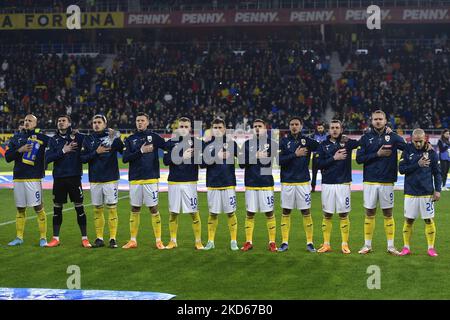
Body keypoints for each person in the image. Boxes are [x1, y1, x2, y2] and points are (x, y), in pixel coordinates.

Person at [356, 110, 406, 255]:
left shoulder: (393, 137)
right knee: (369, 212)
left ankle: (391, 246)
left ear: (385, 121)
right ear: (371, 121)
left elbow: (408, 148)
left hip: (387, 181)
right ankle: (367, 245)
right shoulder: (365, 138)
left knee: (388, 213)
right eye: (375, 119)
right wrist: (377, 154)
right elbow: (359, 159)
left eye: (380, 119)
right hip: (370, 181)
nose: (378, 121)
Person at [121, 113, 167, 250]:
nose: (139, 123)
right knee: (135, 208)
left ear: (148, 122)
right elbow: (125, 158)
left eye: (142, 120)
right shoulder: (130, 139)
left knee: (153, 208)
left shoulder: (154, 137)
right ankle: (133, 240)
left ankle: (158, 240)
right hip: (135, 178)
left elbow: (167, 147)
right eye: (137, 120)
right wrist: (141, 151)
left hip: (151, 178)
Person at [45, 115, 91, 248]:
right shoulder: (53, 140)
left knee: (79, 208)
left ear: (69, 123)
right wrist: (63, 151)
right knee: (57, 208)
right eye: (58, 121)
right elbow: (48, 158)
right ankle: (55, 238)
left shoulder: (79, 137)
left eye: (63, 121)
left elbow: (90, 143)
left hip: (74, 178)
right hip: (59, 178)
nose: (60, 123)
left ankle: (85, 238)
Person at [5, 114, 49, 247]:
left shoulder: (42, 138)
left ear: (36, 123)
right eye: (25, 120)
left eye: (30, 120)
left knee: (38, 207)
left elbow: (55, 146)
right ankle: (19, 237)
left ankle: (43, 238)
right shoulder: (17, 138)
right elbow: (7, 157)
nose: (27, 122)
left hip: (34, 178)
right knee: (20, 208)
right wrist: (20, 149)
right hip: (18, 178)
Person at [81, 115, 124, 248]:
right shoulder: (88, 139)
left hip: (110, 178)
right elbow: (83, 159)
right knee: (97, 209)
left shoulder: (112, 137)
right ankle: (99, 238)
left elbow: (123, 151)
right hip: (95, 179)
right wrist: (96, 152)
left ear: (105, 124)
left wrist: (117, 136)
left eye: (99, 122)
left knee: (111, 208)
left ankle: (112, 238)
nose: (96, 124)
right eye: (94, 122)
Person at [316, 120, 359, 254]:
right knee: (327, 214)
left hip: (343, 183)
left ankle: (344, 244)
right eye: (332, 128)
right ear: (328, 130)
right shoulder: (323, 145)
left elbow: (364, 141)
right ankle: (326, 243)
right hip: (328, 183)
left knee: (343, 213)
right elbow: (318, 164)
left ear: (341, 129)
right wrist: (334, 158)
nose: (334, 130)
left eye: (337, 128)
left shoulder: (347, 143)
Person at [278, 117, 319, 252]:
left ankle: (310, 242)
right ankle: (284, 242)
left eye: (296, 124)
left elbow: (323, 146)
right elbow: (279, 160)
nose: (294, 126)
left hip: (303, 182)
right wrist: (295, 155)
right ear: (289, 126)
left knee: (306, 211)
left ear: (301, 126)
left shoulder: (307, 141)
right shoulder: (283, 141)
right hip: (287, 182)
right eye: (292, 124)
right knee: (286, 211)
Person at [399, 129, 441, 257]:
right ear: (412, 139)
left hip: (426, 192)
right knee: (409, 220)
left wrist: (438, 190)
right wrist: (417, 164)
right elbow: (401, 170)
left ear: (425, 139)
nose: (418, 144)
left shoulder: (432, 152)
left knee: (428, 220)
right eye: (415, 141)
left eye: (420, 141)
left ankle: (431, 248)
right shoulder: (407, 150)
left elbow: (437, 173)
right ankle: (406, 247)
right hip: (411, 192)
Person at [163, 117, 204, 250]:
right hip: (174, 181)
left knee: (194, 212)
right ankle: (173, 241)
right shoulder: (170, 143)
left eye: (186, 126)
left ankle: (198, 241)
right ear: (177, 128)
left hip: (190, 182)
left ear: (190, 128)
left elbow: (203, 163)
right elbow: (165, 160)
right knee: (173, 213)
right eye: (181, 126)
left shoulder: (197, 143)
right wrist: (182, 157)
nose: (184, 129)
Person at [239, 119, 278, 252]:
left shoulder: (271, 144)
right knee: (250, 213)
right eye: (255, 126)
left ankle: (272, 242)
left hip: (266, 182)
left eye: (259, 126)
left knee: (269, 212)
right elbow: (241, 164)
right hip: (250, 183)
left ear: (265, 128)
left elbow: (269, 161)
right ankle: (248, 241)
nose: (257, 128)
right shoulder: (247, 144)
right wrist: (255, 156)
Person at [201, 118, 239, 251]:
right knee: (213, 213)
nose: (217, 130)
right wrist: (216, 157)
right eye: (215, 128)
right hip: (212, 183)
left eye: (220, 128)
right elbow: (201, 164)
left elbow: (243, 159)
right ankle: (210, 241)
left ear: (224, 129)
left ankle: (233, 241)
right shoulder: (207, 144)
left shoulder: (231, 143)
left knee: (230, 213)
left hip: (228, 183)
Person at [311, 122, 327, 192]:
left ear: (323, 128)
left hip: (324, 157)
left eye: (321, 128)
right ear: (317, 129)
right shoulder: (313, 136)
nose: (320, 129)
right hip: (315, 157)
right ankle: (313, 187)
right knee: (314, 173)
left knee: (324, 173)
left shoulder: (327, 136)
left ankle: (324, 187)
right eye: (318, 128)